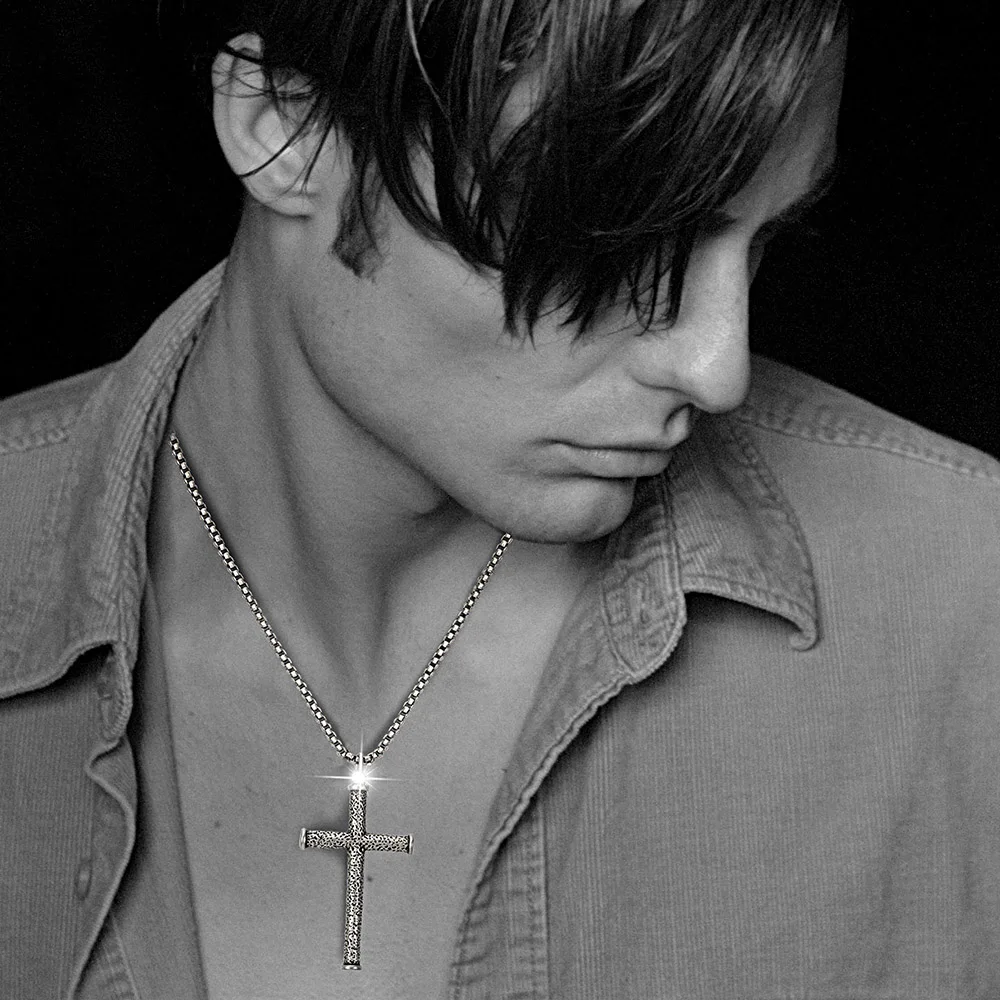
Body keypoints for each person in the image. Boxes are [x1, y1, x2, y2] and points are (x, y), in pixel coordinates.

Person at [1, 1, 997, 997]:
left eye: (763, 237)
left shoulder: (959, 609)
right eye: (614, 241)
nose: (715, 366)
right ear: (284, 130)